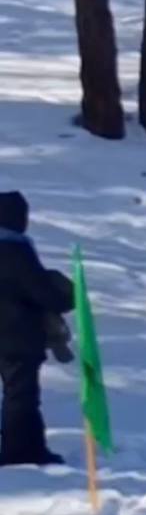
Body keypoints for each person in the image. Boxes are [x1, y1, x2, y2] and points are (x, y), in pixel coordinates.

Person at [0, 190, 73, 468]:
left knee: (19, 396)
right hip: (16, 336)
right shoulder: (16, 250)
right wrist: (67, 296)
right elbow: (44, 294)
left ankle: (31, 448)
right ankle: (21, 452)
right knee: (21, 396)